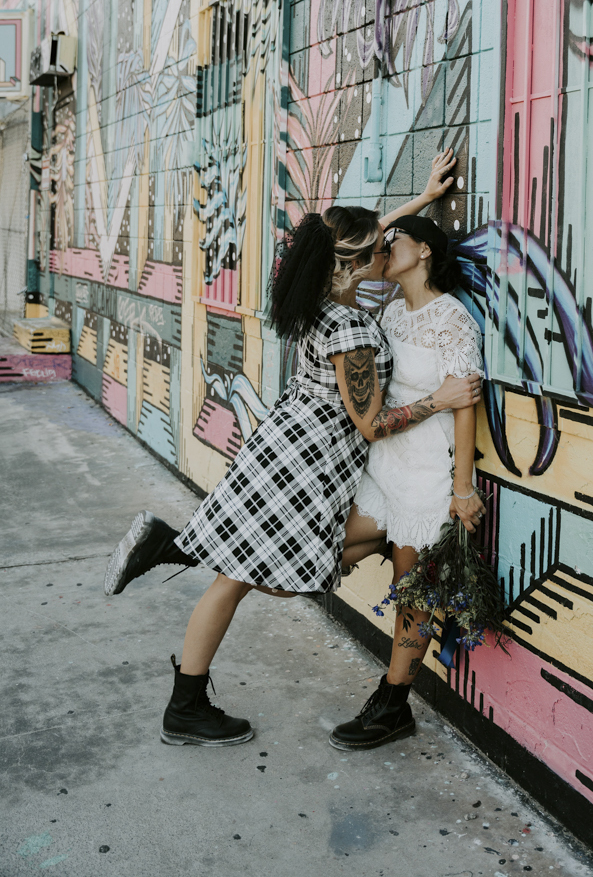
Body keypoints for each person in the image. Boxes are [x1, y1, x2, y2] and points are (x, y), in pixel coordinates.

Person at [103, 182, 481, 748]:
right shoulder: (354, 325)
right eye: (379, 245)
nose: (387, 244)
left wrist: (422, 199)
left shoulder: (319, 299)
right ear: (353, 264)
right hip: (313, 461)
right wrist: (440, 400)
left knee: (247, 571)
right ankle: (174, 562)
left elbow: (355, 241)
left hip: (294, 447)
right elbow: (373, 425)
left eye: (394, 240)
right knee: (273, 572)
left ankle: (178, 586)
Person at [328, 213, 485, 751]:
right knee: (331, 545)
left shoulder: (453, 318)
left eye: (396, 241)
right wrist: (421, 200)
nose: (385, 246)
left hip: (425, 473)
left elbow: (465, 405)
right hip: (384, 466)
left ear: (424, 252)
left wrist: (462, 489)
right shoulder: (392, 310)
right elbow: (352, 237)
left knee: (412, 596)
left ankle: (393, 704)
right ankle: (386, 544)